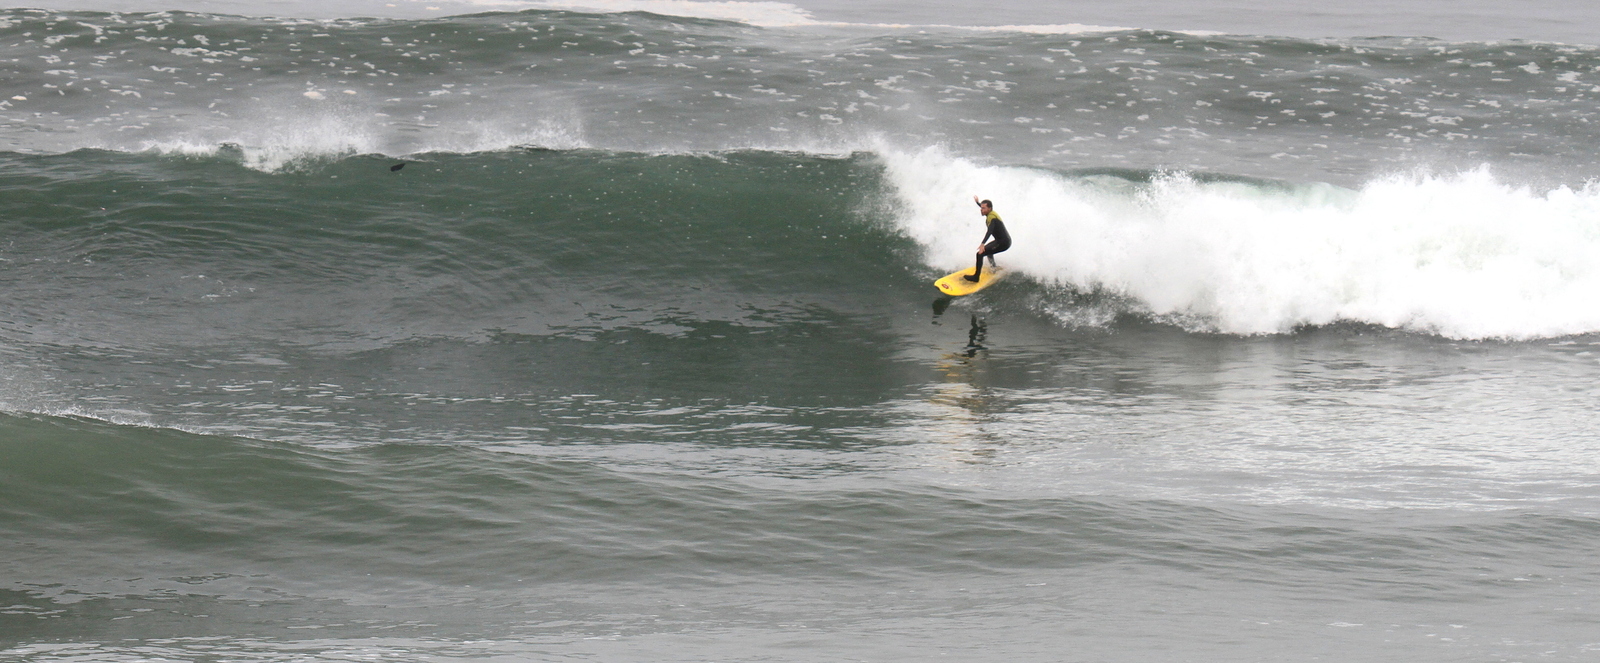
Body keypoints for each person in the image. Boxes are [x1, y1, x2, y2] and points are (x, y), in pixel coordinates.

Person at [965, 195, 1011, 281]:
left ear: (989, 208)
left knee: (980, 254)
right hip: (1002, 240)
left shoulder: (992, 218)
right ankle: (993, 268)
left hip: (1003, 243)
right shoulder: (991, 212)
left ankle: (976, 277)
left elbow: (990, 231)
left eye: (983, 208)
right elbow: (983, 207)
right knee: (989, 251)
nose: (981, 210)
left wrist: (982, 244)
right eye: (981, 208)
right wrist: (977, 202)